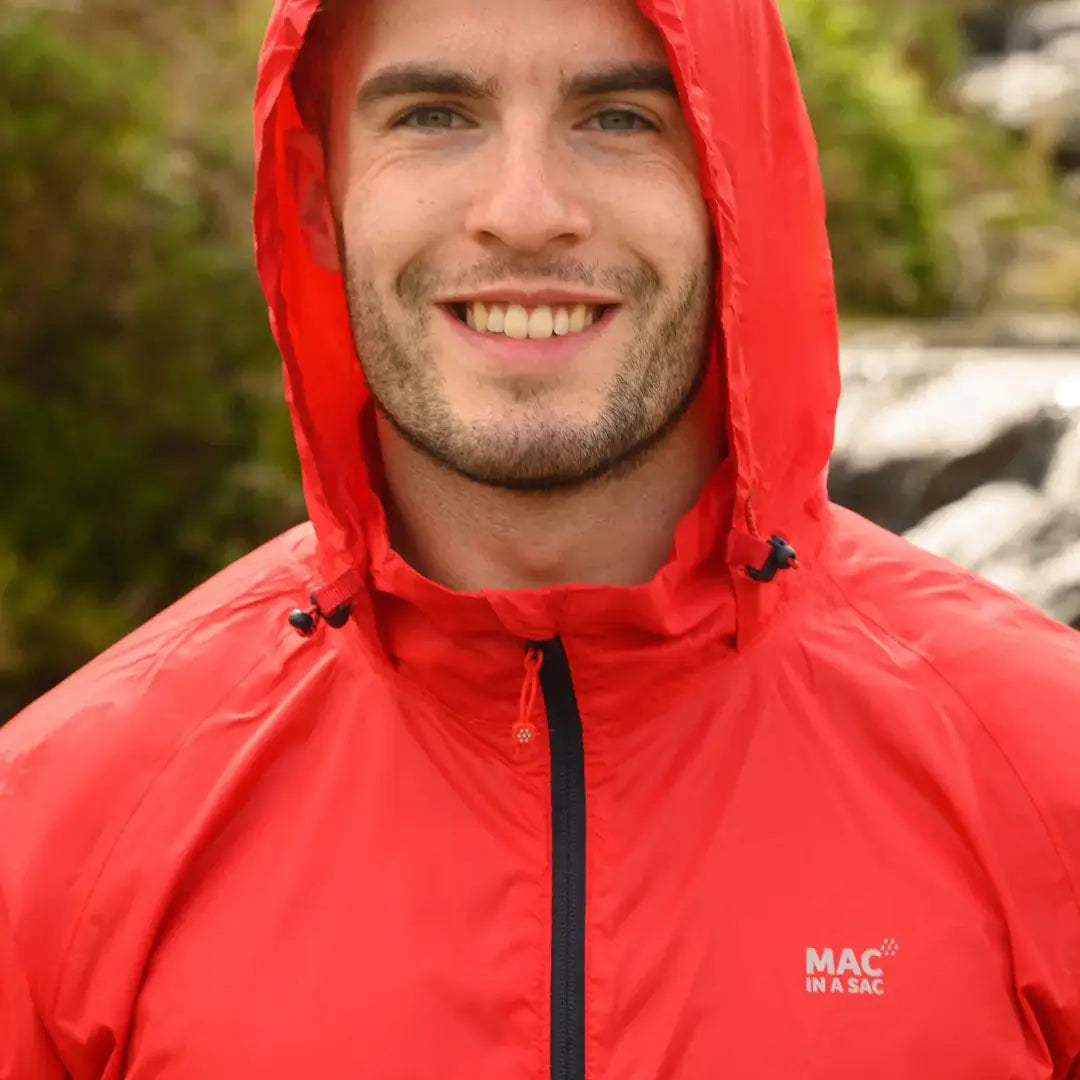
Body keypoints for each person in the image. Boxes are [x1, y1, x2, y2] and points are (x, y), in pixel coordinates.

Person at [3, 0, 1080, 1075]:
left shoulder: (1050, 778)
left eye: (618, 119)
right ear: (315, 197)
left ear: (735, 184)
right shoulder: (52, 842)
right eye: (433, 115)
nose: (524, 212)